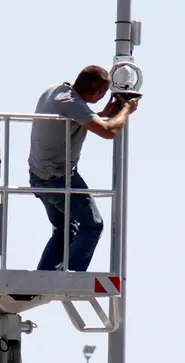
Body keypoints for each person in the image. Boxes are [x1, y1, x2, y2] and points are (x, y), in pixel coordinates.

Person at [27, 65, 139, 272]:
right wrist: (126, 110)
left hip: (38, 177)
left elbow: (72, 119)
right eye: (104, 93)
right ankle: (72, 273)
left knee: (65, 229)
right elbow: (109, 131)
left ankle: (45, 273)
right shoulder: (72, 103)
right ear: (95, 92)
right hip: (59, 177)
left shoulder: (56, 91)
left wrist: (103, 113)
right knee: (92, 224)